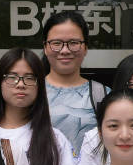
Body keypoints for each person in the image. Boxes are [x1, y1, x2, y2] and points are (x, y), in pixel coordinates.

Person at [40, 10, 103, 155]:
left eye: (74, 43)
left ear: (85, 47)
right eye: (56, 43)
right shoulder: (30, 91)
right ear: (45, 47)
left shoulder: (102, 94)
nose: (65, 50)